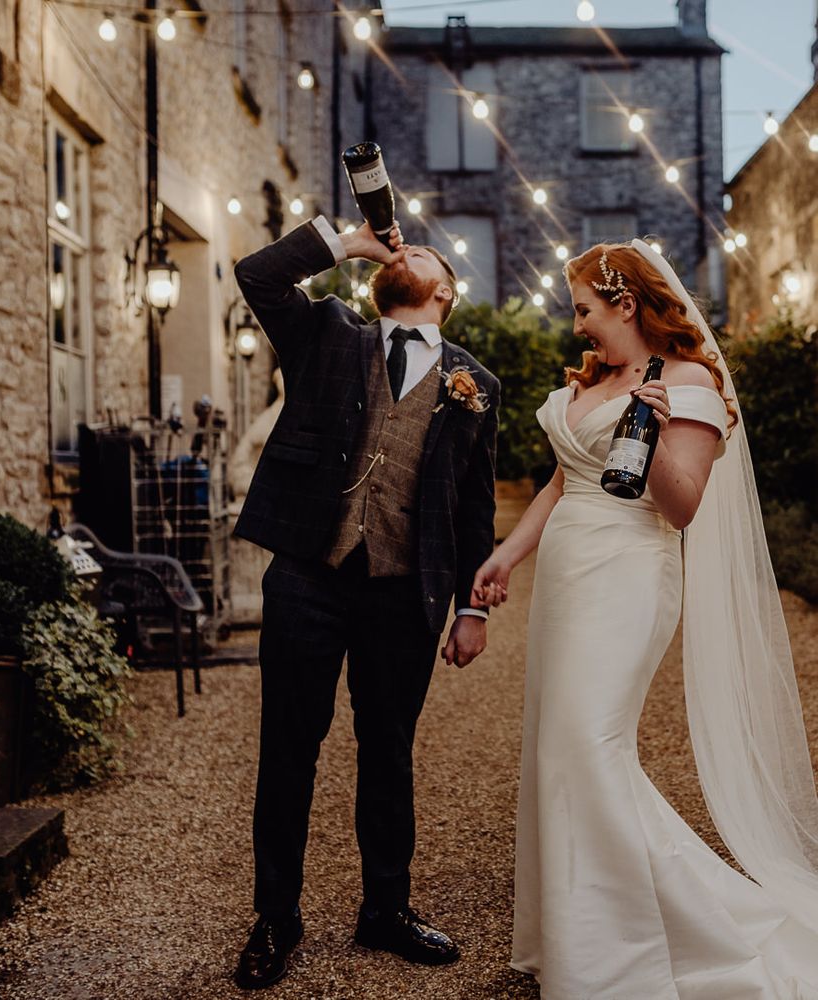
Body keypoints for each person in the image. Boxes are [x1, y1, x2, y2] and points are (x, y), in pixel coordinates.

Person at [472, 239, 818, 998]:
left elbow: (684, 504)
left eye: (585, 310)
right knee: (557, 751)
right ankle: (579, 935)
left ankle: (655, 942)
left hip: (629, 577)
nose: (577, 327)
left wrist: (656, 430)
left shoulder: (689, 380)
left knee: (591, 748)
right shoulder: (592, 383)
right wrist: (507, 556)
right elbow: (564, 483)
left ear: (624, 303)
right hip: (566, 581)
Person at [231, 216, 500, 990]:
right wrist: (343, 244)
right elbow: (256, 275)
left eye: (419, 250)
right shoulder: (327, 333)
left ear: (443, 290)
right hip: (308, 577)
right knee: (288, 751)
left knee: (388, 753)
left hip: (401, 590)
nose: (403, 244)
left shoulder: (475, 384)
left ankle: (385, 909)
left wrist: (472, 608)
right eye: (396, 247)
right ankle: (275, 916)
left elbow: (474, 507)